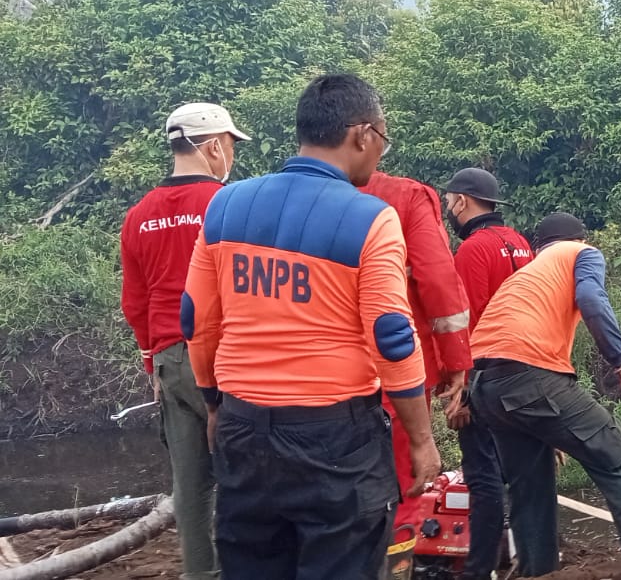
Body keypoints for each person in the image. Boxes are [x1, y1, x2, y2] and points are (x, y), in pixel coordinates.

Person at [183, 73, 441, 580]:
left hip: (243, 429)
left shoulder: (226, 205)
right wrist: (420, 437)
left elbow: (196, 320)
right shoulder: (371, 218)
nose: (380, 154)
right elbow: (391, 336)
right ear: (362, 135)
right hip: (334, 443)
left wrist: (214, 404)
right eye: (382, 139)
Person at [468, 212, 621, 580]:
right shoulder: (581, 253)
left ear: (539, 246)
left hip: (485, 387)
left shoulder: (527, 276)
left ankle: (536, 573)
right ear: (580, 238)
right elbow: (591, 298)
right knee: (619, 459)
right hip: (528, 375)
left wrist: (549, 427)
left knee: (530, 487)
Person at [119, 102, 249, 580]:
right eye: (231, 145)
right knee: (251, 478)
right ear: (213, 145)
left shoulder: (139, 215)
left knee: (191, 490)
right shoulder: (229, 203)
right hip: (229, 356)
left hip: (172, 360)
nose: (231, 155)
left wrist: (152, 362)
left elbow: (135, 301)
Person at [357, 170, 474, 541]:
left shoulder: (284, 196)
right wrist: (455, 361)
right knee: (403, 485)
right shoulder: (404, 196)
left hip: (312, 379)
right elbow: (438, 280)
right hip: (395, 369)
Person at [441, 166, 533, 580]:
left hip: (486, 371)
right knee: (519, 469)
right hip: (527, 370)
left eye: (448, 202)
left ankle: (478, 569)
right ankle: (529, 558)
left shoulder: (473, 249)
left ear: (462, 201)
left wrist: (461, 387)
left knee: (482, 476)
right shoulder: (520, 244)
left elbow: (467, 321)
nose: (447, 209)